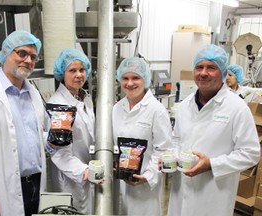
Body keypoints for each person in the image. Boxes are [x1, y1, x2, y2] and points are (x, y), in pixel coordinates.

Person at [167, 44, 261, 216]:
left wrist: (212, 164)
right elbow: (176, 139)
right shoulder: (185, 105)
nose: (203, 73)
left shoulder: (237, 107)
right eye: (199, 67)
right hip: (181, 192)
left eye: (211, 67)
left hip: (214, 194)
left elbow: (251, 153)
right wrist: (172, 156)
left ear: (224, 73)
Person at [0, 30, 47, 216]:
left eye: (33, 56)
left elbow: (37, 136)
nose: (28, 60)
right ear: (6, 53)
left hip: (36, 185)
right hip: (0, 188)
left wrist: (54, 140)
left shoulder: (33, 93)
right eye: (21, 53)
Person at [112, 57, 172, 216]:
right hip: (119, 184)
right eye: (125, 78)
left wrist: (148, 176)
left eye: (135, 78)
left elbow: (164, 150)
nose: (130, 83)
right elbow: (112, 145)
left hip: (145, 189)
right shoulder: (116, 109)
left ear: (145, 79)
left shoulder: (156, 110)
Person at [46, 48, 95, 214]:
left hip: (89, 172)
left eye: (82, 70)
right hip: (70, 177)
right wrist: (83, 171)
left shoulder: (85, 98)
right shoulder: (58, 106)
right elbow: (58, 152)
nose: (79, 75)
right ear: (62, 73)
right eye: (72, 70)